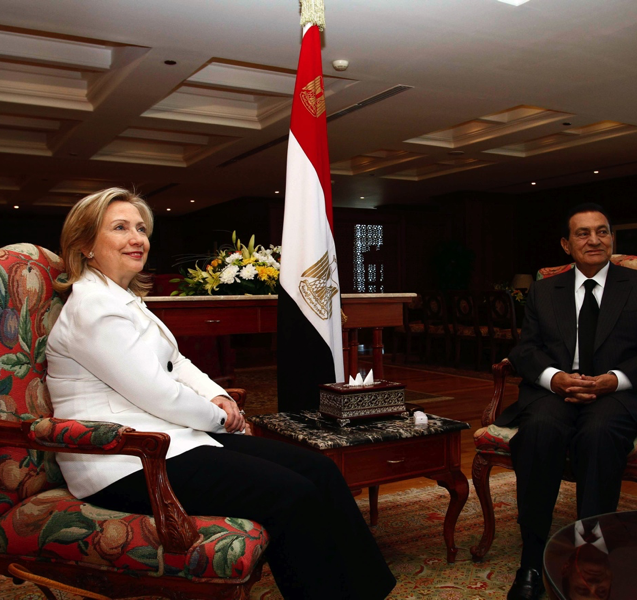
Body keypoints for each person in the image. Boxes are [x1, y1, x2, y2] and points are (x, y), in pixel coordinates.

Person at [46, 188, 396, 600]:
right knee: (292, 495)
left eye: (141, 228)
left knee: (320, 471)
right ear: (85, 245)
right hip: (124, 462)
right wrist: (221, 419)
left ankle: (367, 592)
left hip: (170, 443)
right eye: (120, 228)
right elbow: (158, 394)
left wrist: (221, 399)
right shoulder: (94, 309)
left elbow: (179, 364)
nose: (137, 238)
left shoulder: (123, 299)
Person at [496, 203, 637, 600]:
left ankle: (592, 553)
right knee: (539, 429)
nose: (594, 239)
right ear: (566, 244)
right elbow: (526, 350)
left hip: (618, 394)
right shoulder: (544, 290)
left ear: (612, 238)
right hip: (557, 390)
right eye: (583, 233)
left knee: (599, 433)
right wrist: (555, 379)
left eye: (602, 231)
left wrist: (613, 381)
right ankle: (530, 560)